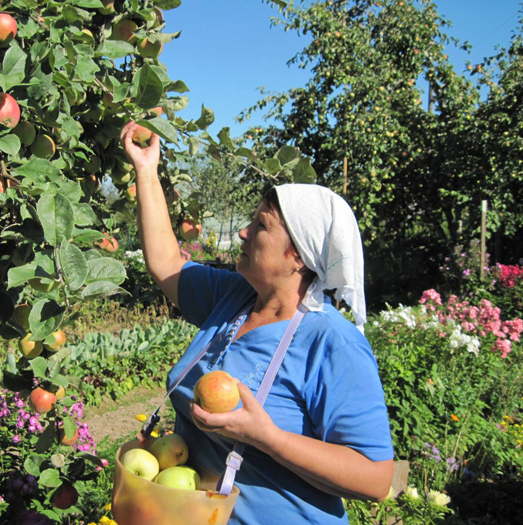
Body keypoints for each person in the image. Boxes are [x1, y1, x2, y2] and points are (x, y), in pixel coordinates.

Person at [120, 121, 394, 524]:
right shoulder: (233, 296)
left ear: (297, 256)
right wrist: (146, 171)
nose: (244, 232)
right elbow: (166, 264)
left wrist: (269, 439)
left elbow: (376, 479)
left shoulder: (332, 343)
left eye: (261, 226)